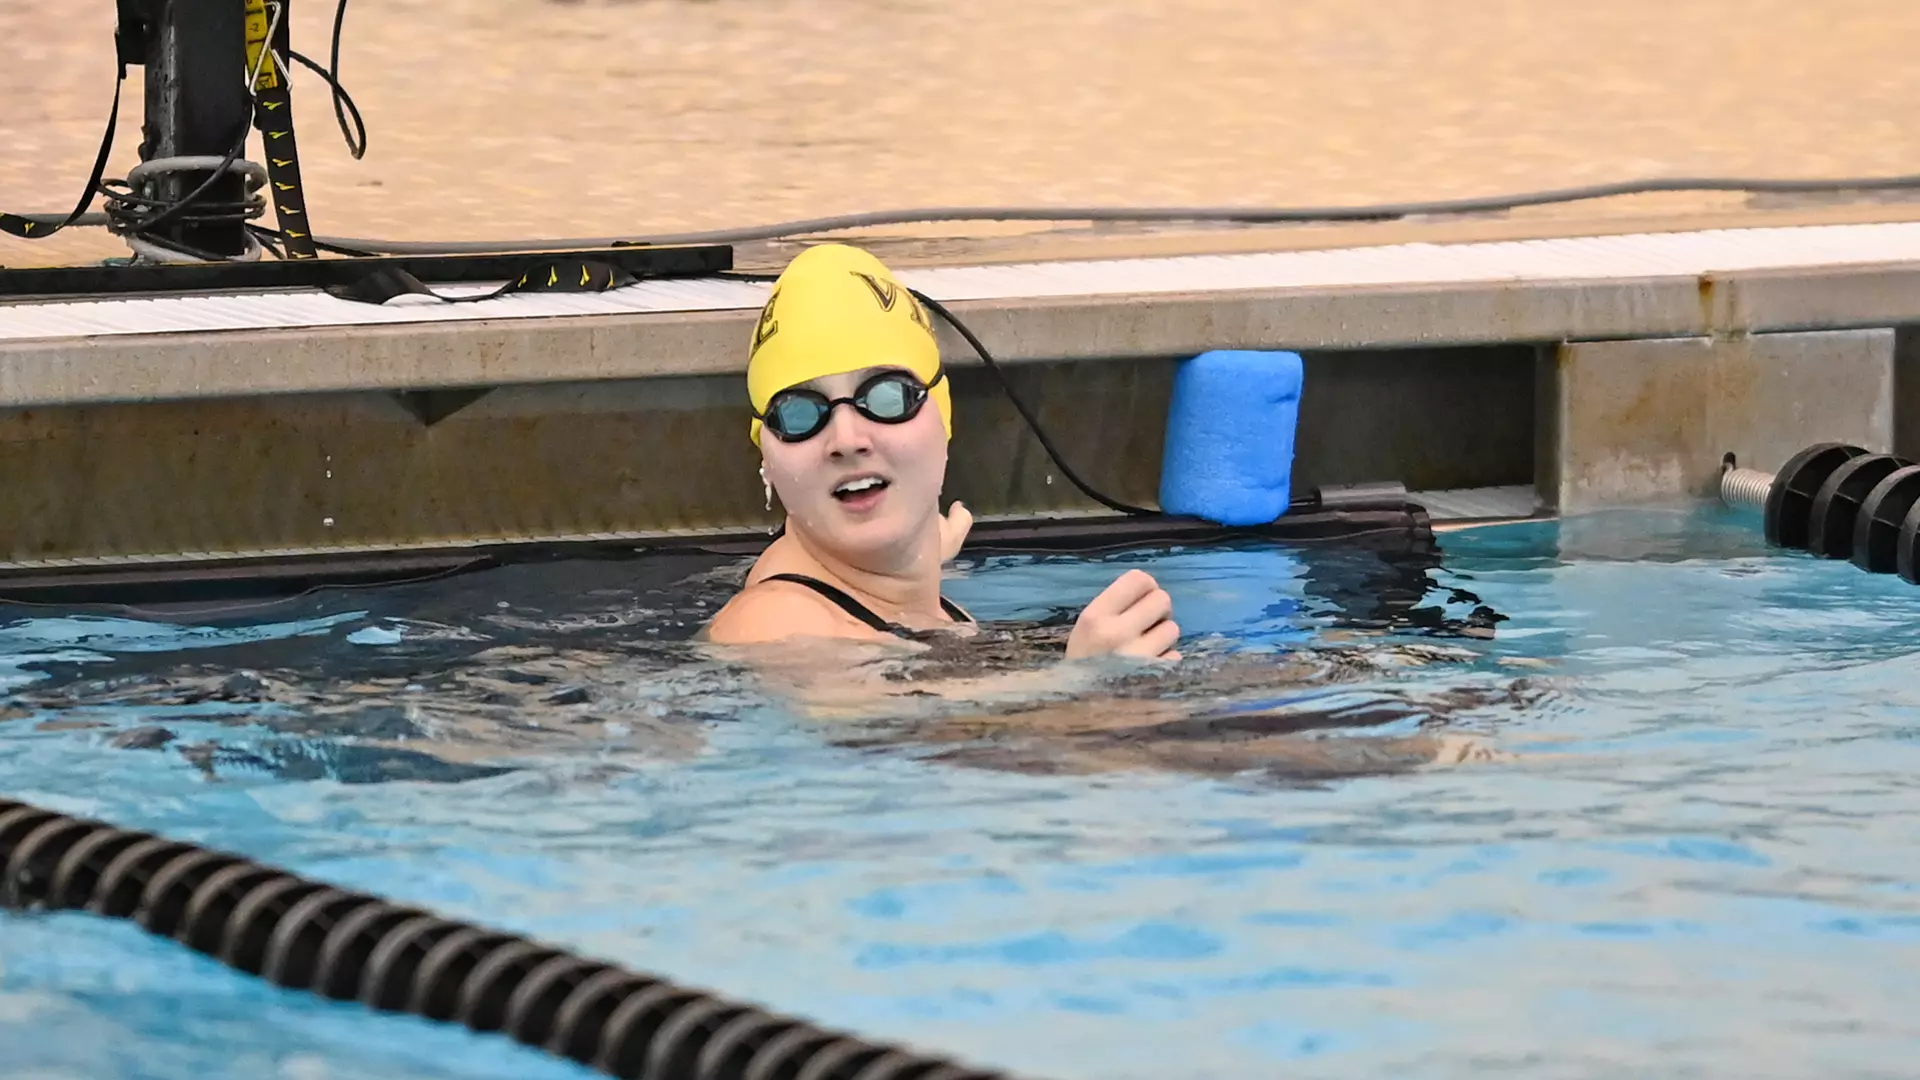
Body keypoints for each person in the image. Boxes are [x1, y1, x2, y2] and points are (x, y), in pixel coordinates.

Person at [702, 243, 1181, 662]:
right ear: (766, 454)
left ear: (943, 418)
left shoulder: (894, 586)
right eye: (799, 414)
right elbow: (882, 740)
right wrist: (1081, 682)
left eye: (887, 397)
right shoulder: (773, 627)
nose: (847, 439)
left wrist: (921, 549)